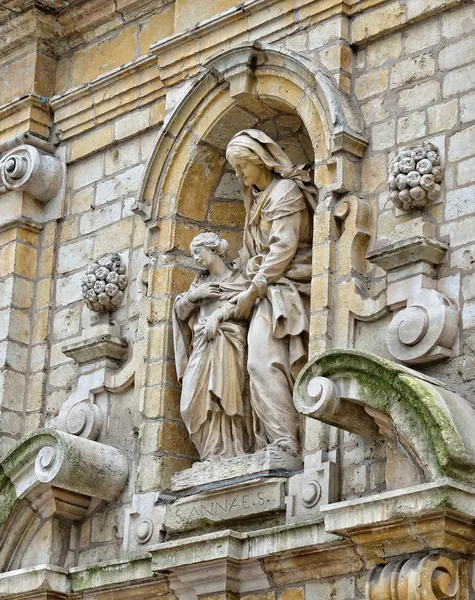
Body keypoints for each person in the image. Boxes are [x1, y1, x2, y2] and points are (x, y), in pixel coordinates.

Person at [226, 129, 318, 457]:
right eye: (236, 170)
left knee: (264, 360)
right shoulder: (257, 201)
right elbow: (253, 255)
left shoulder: (286, 193)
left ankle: (286, 441)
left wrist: (253, 290)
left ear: (260, 160)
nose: (240, 175)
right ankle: (272, 439)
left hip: (287, 287)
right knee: (252, 362)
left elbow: (282, 249)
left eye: (242, 167)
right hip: (267, 289)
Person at [172, 232, 249, 462]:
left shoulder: (238, 278)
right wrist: (195, 296)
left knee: (225, 397)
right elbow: (180, 312)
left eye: (198, 252)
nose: (195, 258)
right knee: (189, 403)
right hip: (202, 345)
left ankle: (230, 451)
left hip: (228, 342)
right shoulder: (199, 283)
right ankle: (209, 452)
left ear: (213, 250)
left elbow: (247, 304)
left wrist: (220, 316)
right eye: (193, 253)